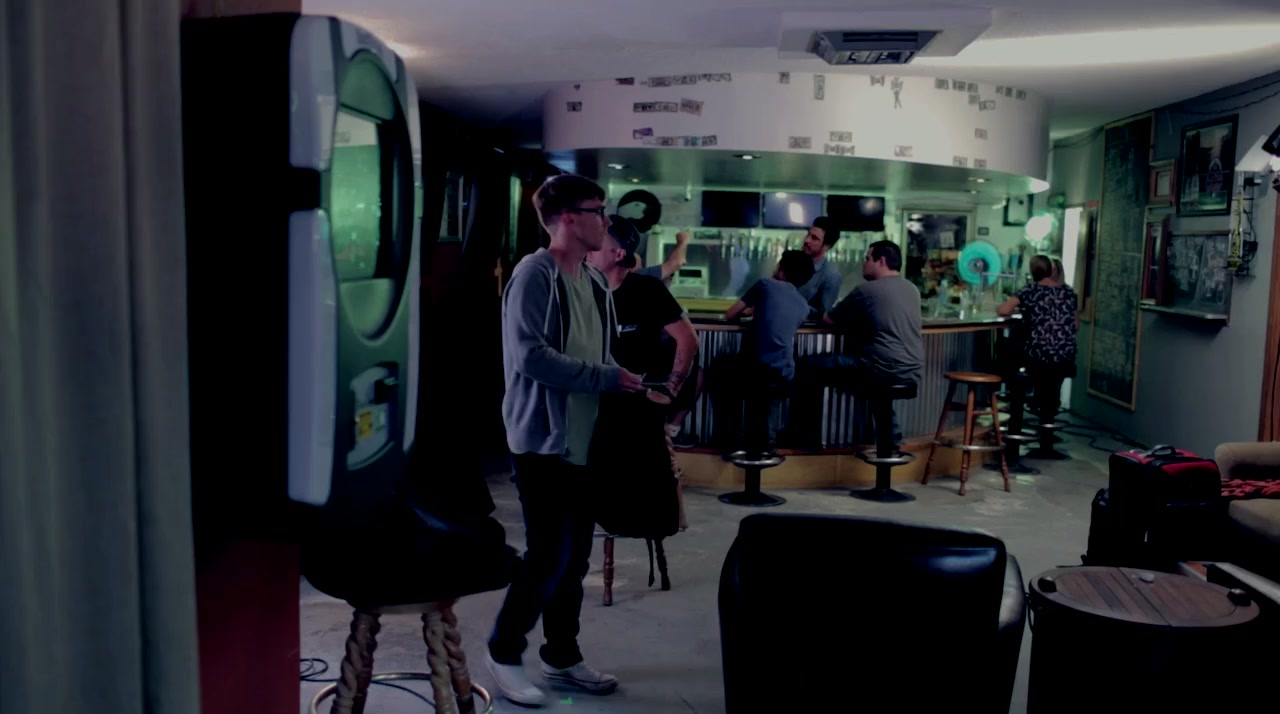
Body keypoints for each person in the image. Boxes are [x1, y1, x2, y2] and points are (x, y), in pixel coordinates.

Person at [488, 174, 645, 707]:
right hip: (542, 441)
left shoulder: (594, 281)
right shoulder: (534, 274)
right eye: (599, 210)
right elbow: (530, 357)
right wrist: (605, 377)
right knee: (547, 554)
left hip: (586, 438)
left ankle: (561, 654)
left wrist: (626, 379)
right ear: (570, 218)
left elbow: (598, 352)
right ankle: (503, 650)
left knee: (574, 556)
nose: (607, 221)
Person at [585, 217, 697, 578]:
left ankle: (651, 524)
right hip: (591, 404)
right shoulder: (580, 286)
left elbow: (688, 339)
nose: (590, 247)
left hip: (636, 404)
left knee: (646, 486)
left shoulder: (646, 289)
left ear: (619, 253)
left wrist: (670, 390)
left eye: (600, 241)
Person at [785, 240, 923, 447]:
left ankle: (805, 438)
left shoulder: (867, 291)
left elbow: (829, 320)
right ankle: (891, 436)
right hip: (911, 370)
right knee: (880, 371)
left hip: (879, 369)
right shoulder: (912, 289)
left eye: (867, 259)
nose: (863, 264)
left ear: (881, 261)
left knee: (807, 365)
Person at [717, 250, 815, 452]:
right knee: (767, 393)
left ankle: (732, 441)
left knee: (721, 368)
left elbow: (730, 314)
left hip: (758, 371)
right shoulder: (804, 306)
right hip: (784, 375)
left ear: (781, 269)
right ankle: (767, 441)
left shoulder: (765, 284)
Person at [997, 254, 1078, 421]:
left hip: (1038, 357)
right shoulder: (1069, 292)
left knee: (1005, 347)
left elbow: (1003, 310)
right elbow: (1076, 325)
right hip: (1065, 356)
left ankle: (1015, 403)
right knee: (1051, 384)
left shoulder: (1030, 290)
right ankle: (1047, 416)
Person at [796, 216, 843, 318]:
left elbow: (823, 314)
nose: (807, 240)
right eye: (808, 234)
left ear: (827, 246)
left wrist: (796, 306)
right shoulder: (793, 263)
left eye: (814, 238)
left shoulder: (831, 276)